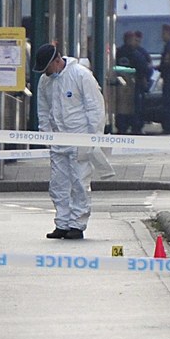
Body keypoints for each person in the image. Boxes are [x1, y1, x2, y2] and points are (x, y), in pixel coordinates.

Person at [33, 43, 105, 240]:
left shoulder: (81, 75)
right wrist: (45, 134)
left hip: (79, 137)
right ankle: (62, 222)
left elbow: (95, 107)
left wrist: (94, 136)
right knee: (58, 184)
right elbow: (43, 108)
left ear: (57, 61)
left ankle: (77, 223)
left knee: (79, 182)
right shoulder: (45, 81)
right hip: (58, 139)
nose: (46, 73)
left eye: (47, 68)